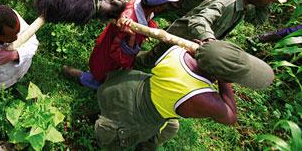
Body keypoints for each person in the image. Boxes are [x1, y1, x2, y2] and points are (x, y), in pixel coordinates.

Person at [95, 40, 274, 149]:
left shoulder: (177, 52)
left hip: (125, 86)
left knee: (172, 126)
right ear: (218, 75)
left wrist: (212, 57)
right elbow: (231, 117)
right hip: (132, 115)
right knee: (120, 141)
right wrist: (224, 79)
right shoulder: (202, 97)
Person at [135, 0, 290, 69]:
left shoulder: (246, 4)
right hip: (182, 35)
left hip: (194, 42)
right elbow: (199, 20)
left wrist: (266, 2)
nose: (271, 1)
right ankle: (121, 65)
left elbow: (258, 21)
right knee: (150, 60)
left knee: (165, 63)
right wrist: (209, 39)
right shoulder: (226, 2)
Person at [63, 0, 188, 89]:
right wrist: (132, 39)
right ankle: (80, 76)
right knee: (102, 78)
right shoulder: (129, 24)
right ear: (158, 6)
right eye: (166, 3)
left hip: (105, 48)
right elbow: (120, 57)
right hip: (108, 59)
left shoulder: (140, 1)